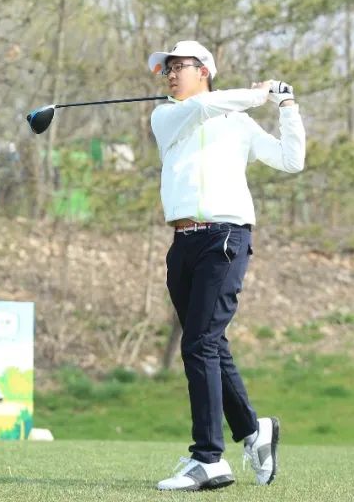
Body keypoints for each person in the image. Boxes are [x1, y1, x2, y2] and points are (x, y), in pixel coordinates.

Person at [147, 40, 305, 491]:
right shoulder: (166, 116)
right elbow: (203, 108)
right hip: (183, 243)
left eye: (179, 66)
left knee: (199, 343)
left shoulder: (238, 123)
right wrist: (258, 93)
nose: (171, 74)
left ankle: (209, 459)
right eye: (167, 69)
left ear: (204, 70)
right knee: (210, 343)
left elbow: (291, 160)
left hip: (225, 238)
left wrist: (286, 105)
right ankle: (255, 431)